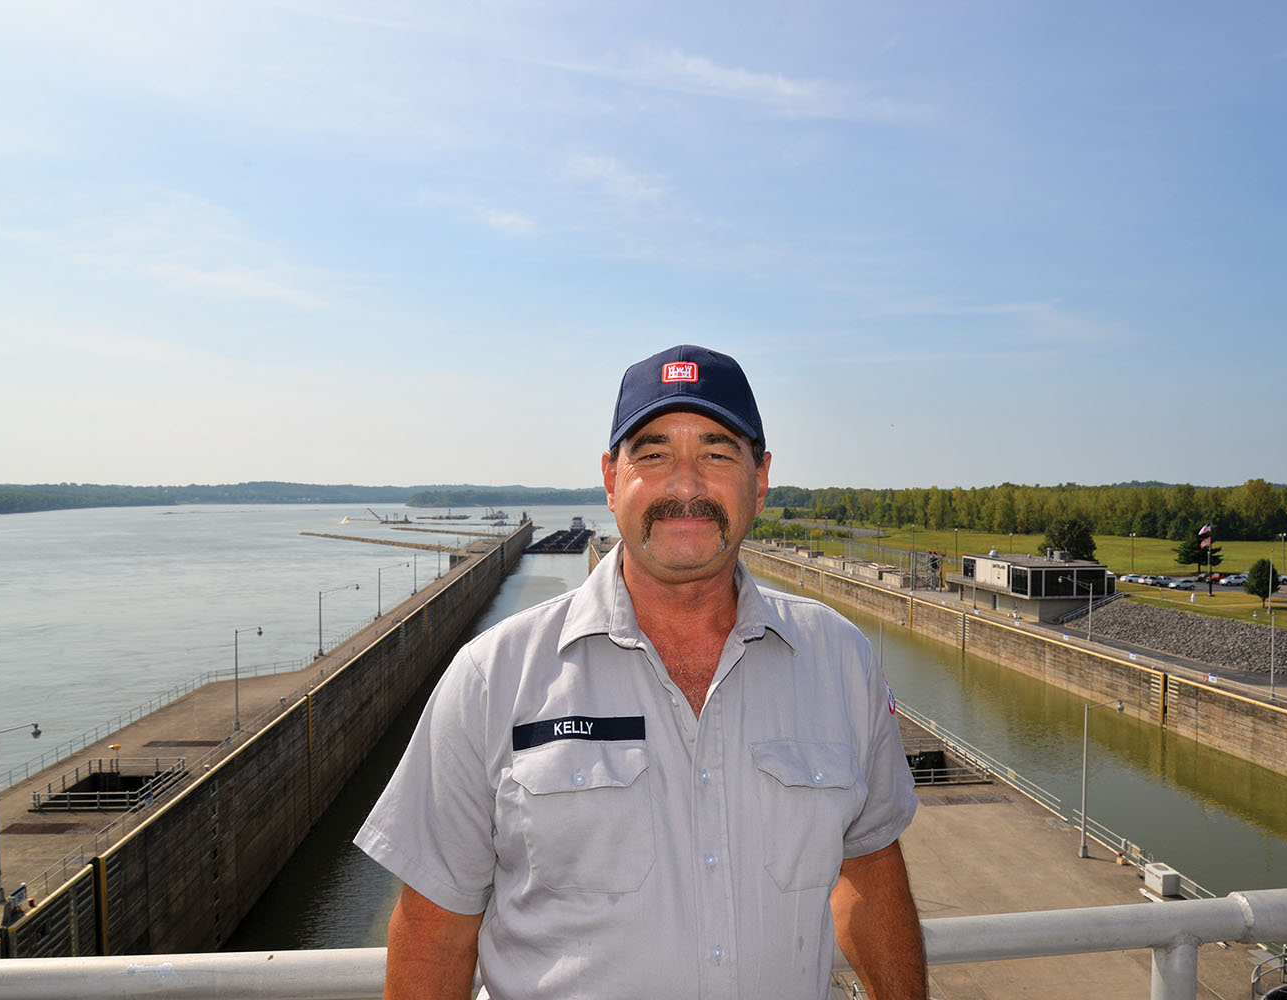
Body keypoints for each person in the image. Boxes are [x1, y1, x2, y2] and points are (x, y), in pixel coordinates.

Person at [355, 344, 925, 999]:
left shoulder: (840, 661)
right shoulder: (493, 679)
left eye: (716, 452)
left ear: (760, 478)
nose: (685, 485)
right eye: (653, 454)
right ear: (610, 477)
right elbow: (433, 935)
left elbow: (872, 868)